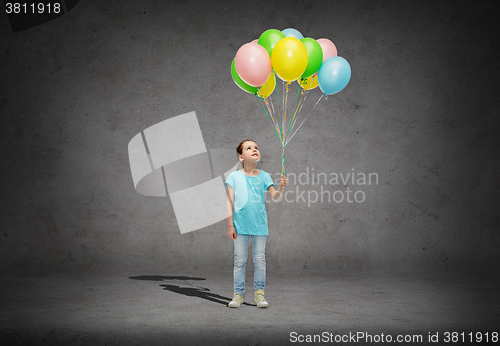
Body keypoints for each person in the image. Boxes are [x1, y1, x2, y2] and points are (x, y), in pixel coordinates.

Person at [225, 139, 287, 308]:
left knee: (259, 260)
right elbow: (229, 202)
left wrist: (281, 187)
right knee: (240, 260)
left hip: (259, 225)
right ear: (241, 157)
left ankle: (259, 294)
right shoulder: (234, 176)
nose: (254, 150)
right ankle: (238, 294)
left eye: (256, 147)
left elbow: (275, 197)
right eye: (249, 148)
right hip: (240, 226)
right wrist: (230, 225)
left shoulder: (265, 176)